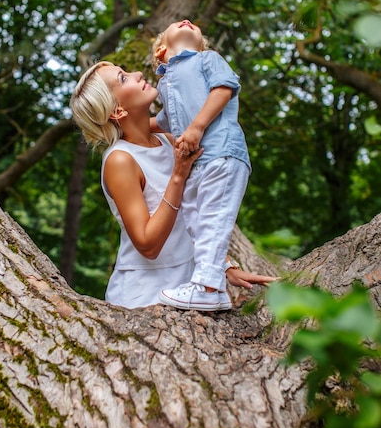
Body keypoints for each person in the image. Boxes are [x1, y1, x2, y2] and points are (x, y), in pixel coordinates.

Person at [70, 60, 275, 310]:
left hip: (190, 285)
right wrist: (178, 175)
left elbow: (194, 214)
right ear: (117, 111)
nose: (137, 73)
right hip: (144, 297)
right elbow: (148, 244)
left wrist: (225, 266)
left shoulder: (169, 140)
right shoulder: (120, 160)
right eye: (123, 78)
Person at [151, 19, 251, 311]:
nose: (187, 21)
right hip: (198, 166)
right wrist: (120, 127)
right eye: (176, 23)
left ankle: (206, 287)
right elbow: (161, 122)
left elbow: (224, 89)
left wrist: (196, 128)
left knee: (213, 219)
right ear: (160, 51)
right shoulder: (164, 83)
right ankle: (215, 289)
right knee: (196, 223)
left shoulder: (207, 59)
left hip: (221, 152)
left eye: (195, 26)